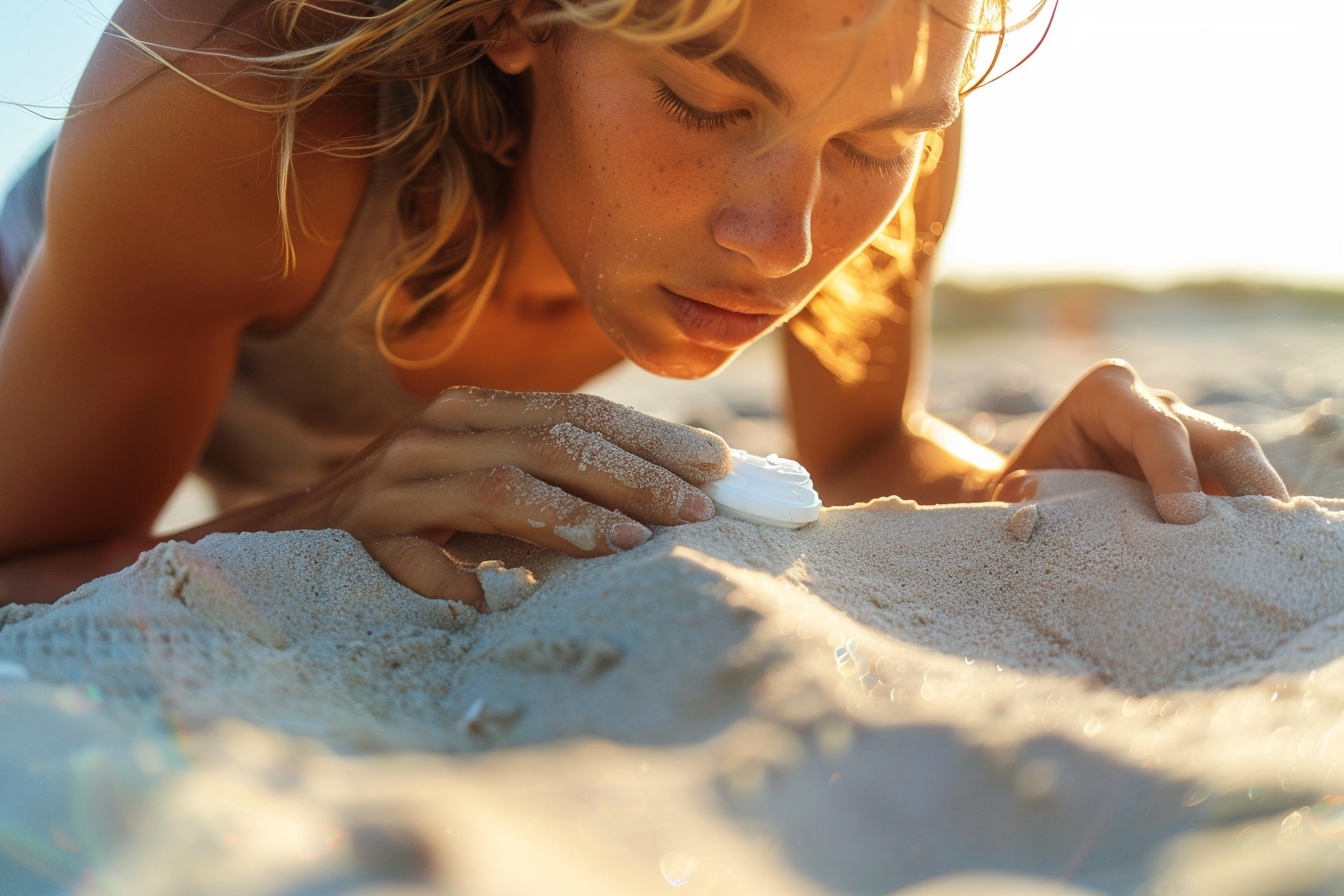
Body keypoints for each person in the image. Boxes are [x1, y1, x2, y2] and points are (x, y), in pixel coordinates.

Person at [0, 0, 1288, 609]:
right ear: (516, 16)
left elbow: (862, 456)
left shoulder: (884, 85)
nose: (781, 243)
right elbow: (24, 570)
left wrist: (1025, 488)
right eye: (706, 106)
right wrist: (316, 521)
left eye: (874, 148)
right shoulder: (227, 98)